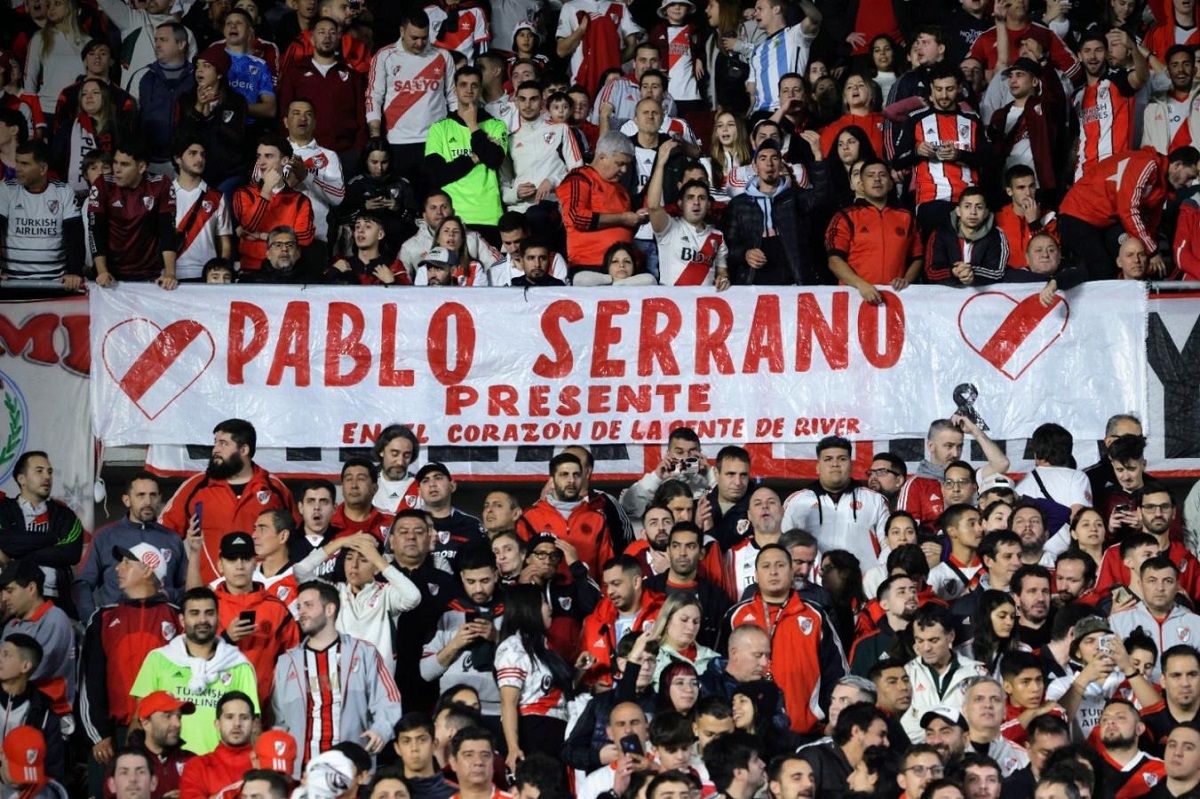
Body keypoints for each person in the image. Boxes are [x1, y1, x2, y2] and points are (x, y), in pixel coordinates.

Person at [273, 580, 403, 777]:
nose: (301, 612)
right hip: (303, 774)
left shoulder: (364, 653)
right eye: (299, 606)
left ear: (330, 609)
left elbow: (389, 699)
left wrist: (381, 730)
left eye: (309, 605)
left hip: (352, 771)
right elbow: (278, 720)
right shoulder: (286, 662)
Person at [77, 542, 181, 769]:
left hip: (167, 729)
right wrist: (98, 734)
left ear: (147, 569)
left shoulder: (177, 617)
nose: (117, 568)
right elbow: (89, 681)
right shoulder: (103, 617)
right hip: (113, 736)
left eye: (126, 562)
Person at [724, 545, 846, 735]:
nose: (773, 572)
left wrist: (833, 719)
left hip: (806, 731)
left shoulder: (815, 615)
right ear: (756, 575)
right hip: (748, 733)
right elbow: (721, 672)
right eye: (766, 566)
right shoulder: (735, 616)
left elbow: (836, 673)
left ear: (791, 573)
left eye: (780, 565)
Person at [161, 419, 296, 586]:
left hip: (264, 592)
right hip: (210, 595)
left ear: (244, 449)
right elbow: (162, 536)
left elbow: (296, 536)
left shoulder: (274, 489)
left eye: (223, 443)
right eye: (215, 443)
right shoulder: (195, 487)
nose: (216, 449)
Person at [130, 587, 259, 755]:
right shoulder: (158, 659)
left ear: (218, 618)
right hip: (169, 765)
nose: (202, 619)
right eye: (195, 613)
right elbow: (140, 719)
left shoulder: (239, 665)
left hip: (220, 767)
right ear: (182, 620)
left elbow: (253, 725)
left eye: (209, 613)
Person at [1058, 145, 1200, 280]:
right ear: (1177, 165)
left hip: (1103, 221)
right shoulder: (1147, 163)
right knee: (1101, 268)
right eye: (1190, 177)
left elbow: (1151, 224)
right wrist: (1152, 252)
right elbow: (1128, 210)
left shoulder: (1162, 187)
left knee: (1127, 262)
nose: (1188, 185)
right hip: (1077, 215)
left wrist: (1148, 254)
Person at [366, 8, 457, 192]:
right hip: (398, 142)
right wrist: (376, 136)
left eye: (424, 37)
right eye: (414, 38)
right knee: (404, 199)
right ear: (401, 32)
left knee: (434, 197)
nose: (420, 43)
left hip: (435, 142)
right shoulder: (385, 56)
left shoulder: (443, 56)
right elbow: (373, 96)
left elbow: (453, 98)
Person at [781, 436, 891, 570]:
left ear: (851, 465)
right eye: (828, 459)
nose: (835, 464)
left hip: (863, 587)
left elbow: (889, 544)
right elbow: (785, 547)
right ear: (817, 467)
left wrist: (876, 578)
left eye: (842, 459)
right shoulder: (796, 502)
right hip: (814, 586)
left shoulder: (875, 501)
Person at [419, 548, 505, 721]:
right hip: (452, 711)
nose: (478, 588)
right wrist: (454, 644)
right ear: (461, 577)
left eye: (485, 580)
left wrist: (498, 639)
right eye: (471, 581)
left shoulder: (513, 611)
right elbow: (426, 672)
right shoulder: (447, 613)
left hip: (498, 711)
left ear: (496, 575)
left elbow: (530, 664)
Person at [495, 583, 574, 769]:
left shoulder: (543, 646)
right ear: (528, 608)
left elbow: (551, 692)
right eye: (544, 602)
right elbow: (508, 702)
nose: (550, 608)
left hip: (555, 732)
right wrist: (513, 748)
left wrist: (578, 671)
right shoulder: (513, 647)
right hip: (533, 732)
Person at [825, 158, 922, 303]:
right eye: (870, 176)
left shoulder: (906, 217)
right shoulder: (845, 217)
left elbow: (917, 257)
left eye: (882, 175)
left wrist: (906, 280)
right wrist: (861, 285)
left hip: (895, 299)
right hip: (854, 297)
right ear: (861, 185)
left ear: (890, 183)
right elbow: (834, 260)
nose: (877, 179)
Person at [0, 452, 83, 616]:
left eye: (50, 472)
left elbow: (71, 553)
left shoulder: (65, 515)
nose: (47, 477)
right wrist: (52, 539)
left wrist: (16, 558)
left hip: (56, 603)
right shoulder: (3, 511)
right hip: (8, 606)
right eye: (39, 471)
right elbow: (6, 542)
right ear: (21, 479)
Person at [88, 142, 178, 287]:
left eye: (124, 164)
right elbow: (95, 232)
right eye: (115, 162)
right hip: (110, 276)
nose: (116, 169)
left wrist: (170, 274)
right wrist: (102, 271)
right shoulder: (102, 184)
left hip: (149, 275)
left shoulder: (161, 184)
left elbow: (167, 232)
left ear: (141, 167)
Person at [898, 418, 1009, 533]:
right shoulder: (915, 485)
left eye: (959, 446)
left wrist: (975, 431)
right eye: (949, 446)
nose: (955, 454)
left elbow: (1001, 464)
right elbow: (905, 533)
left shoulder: (969, 478)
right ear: (931, 446)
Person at [518, 452, 616, 578]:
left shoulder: (598, 520)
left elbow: (607, 570)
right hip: (543, 596)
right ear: (552, 481)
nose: (571, 481)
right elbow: (518, 566)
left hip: (585, 595)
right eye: (564, 475)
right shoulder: (530, 517)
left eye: (576, 475)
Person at [0, 140, 84, 284]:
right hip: (11, 281)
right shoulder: (6, 189)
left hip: (56, 282)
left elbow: (75, 236)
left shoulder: (64, 192)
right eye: (17, 162)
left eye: (25, 164)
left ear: (43, 169)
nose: (17, 169)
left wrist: (74, 272)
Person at [557, 130, 641, 270]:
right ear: (602, 157)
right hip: (589, 265)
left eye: (627, 164)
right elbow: (576, 217)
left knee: (649, 280)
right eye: (620, 163)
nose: (625, 170)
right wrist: (622, 218)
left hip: (622, 268)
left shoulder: (622, 191)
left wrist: (637, 219)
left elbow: (625, 226)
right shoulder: (580, 178)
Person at [902, 605, 986, 743]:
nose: (926, 648)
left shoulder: (976, 674)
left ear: (950, 636)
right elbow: (904, 728)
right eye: (920, 640)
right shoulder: (907, 674)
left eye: (933, 640)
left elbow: (984, 722)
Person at [231, 134, 316, 270]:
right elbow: (250, 225)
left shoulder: (300, 201)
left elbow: (304, 239)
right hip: (251, 271)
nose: (261, 163)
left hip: (287, 273)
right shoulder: (244, 193)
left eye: (268, 156)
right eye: (259, 156)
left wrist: (262, 236)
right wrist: (266, 190)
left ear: (284, 161)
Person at [174, 45, 249, 196]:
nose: (199, 70)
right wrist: (198, 107)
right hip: (194, 172)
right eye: (197, 66)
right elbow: (181, 136)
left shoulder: (235, 101)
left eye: (206, 66)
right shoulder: (186, 99)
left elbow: (235, 138)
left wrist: (210, 117)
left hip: (228, 173)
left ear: (219, 74)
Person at [1073, 30, 1147, 180]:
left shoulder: (1118, 80)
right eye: (1087, 51)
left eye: (1098, 50)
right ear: (1079, 56)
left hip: (1115, 170)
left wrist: (1133, 48)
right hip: (1083, 173)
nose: (1093, 56)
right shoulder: (1077, 96)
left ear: (1106, 53)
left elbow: (1142, 77)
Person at [282, 96, 344, 254]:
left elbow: (338, 196)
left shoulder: (328, 156)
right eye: (296, 113)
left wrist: (306, 177)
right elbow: (256, 193)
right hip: (277, 238)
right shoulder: (272, 153)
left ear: (315, 122)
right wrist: (287, 185)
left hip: (315, 239)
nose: (302, 118)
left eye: (308, 114)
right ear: (285, 121)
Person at [0, 636, 64, 783]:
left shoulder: (44, 713)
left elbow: (53, 771)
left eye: (6, 654)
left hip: (24, 787)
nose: (0, 658)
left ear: (25, 666)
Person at [171, 135, 234, 280]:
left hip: (206, 275)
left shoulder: (217, 197)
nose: (199, 159)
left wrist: (221, 273)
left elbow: (224, 240)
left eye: (202, 155)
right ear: (178, 159)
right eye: (192, 153)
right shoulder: (164, 193)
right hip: (170, 273)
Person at [137, 22, 196, 171]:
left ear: (181, 44)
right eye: (156, 40)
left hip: (186, 161)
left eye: (163, 40)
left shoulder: (197, 77)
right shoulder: (143, 76)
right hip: (149, 161)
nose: (157, 44)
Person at [178, 691, 256, 799]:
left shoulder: (266, 764)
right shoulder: (196, 767)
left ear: (253, 725)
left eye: (244, 717)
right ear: (217, 724)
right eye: (229, 717)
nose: (237, 723)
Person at [747, 0, 821, 113]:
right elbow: (752, 93)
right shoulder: (757, 51)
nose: (755, 13)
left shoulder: (794, 35)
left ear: (776, 9)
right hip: (759, 116)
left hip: (788, 112)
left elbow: (815, 19)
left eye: (760, 9)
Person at [926, 186, 1008, 286]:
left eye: (979, 207)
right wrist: (954, 272)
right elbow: (931, 272)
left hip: (983, 296)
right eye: (967, 206)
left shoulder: (996, 236)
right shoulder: (941, 233)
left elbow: (997, 273)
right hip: (947, 296)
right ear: (958, 211)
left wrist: (971, 272)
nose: (973, 212)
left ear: (986, 213)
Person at [1144, 45, 1200, 155]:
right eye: (1175, 65)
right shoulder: (1153, 106)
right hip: (1166, 169)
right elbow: (1147, 147)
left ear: (1194, 70)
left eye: (1186, 64)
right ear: (1168, 73)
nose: (1181, 70)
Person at [0, 726, 67, 799]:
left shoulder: (50, 792)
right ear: (1, 754)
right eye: (17, 771)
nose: (21, 781)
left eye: (29, 774)